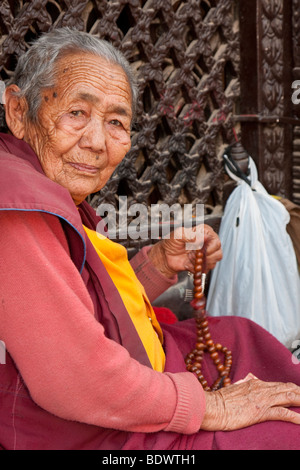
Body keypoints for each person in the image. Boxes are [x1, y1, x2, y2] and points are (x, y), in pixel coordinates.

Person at [0, 28, 300, 451]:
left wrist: (157, 263)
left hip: (127, 386)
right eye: (76, 113)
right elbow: (81, 382)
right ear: (17, 111)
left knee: (244, 338)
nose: (97, 142)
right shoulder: (19, 209)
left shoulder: (49, 187)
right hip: (89, 430)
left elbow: (80, 309)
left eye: (116, 122)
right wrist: (213, 408)